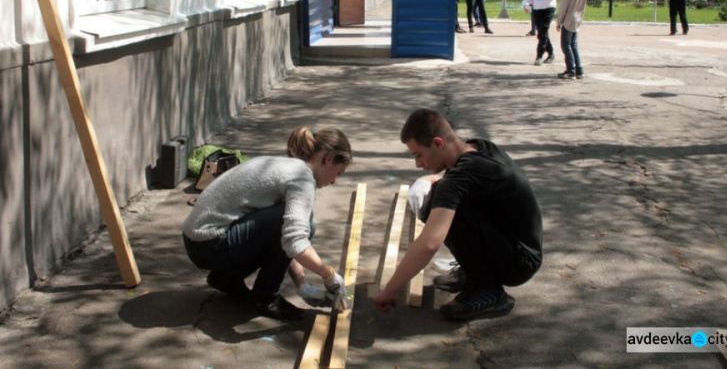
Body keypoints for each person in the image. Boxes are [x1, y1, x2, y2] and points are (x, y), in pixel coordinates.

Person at [375, 109, 543, 321]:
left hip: (518, 264)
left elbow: (430, 243)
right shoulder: (478, 147)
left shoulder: (460, 178)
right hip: (521, 248)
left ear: (438, 143)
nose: (418, 164)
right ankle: (475, 272)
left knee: (437, 207)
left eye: (418, 155)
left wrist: (391, 290)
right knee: (442, 196)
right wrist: (427, 180)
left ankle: (489, 290)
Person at [182, 126, 353, 321]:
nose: (334, 181)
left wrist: (302, 284)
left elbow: (282, 237)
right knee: (306, 224)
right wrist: (329, 275)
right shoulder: (302, 178)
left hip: (198, 241)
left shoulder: (286, 166)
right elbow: (294, 242)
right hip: (209, 244)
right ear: (329, 158)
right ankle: (266, 297)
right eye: (338, 173)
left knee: (290, 221)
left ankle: (226, 278)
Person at [523, 0, 560, 66]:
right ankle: (551, 53)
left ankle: (539, 56)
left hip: (548, 8)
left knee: (543, 32)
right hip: (537, 9)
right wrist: (526, 4)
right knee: (541, 34)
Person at [556, 0, 588, 79]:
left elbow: (564, 6)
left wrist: (559, 21)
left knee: (566, 45)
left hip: (569, 19)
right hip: (578, 18)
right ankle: (579, 69)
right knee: (574, 44)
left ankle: (571, 70)